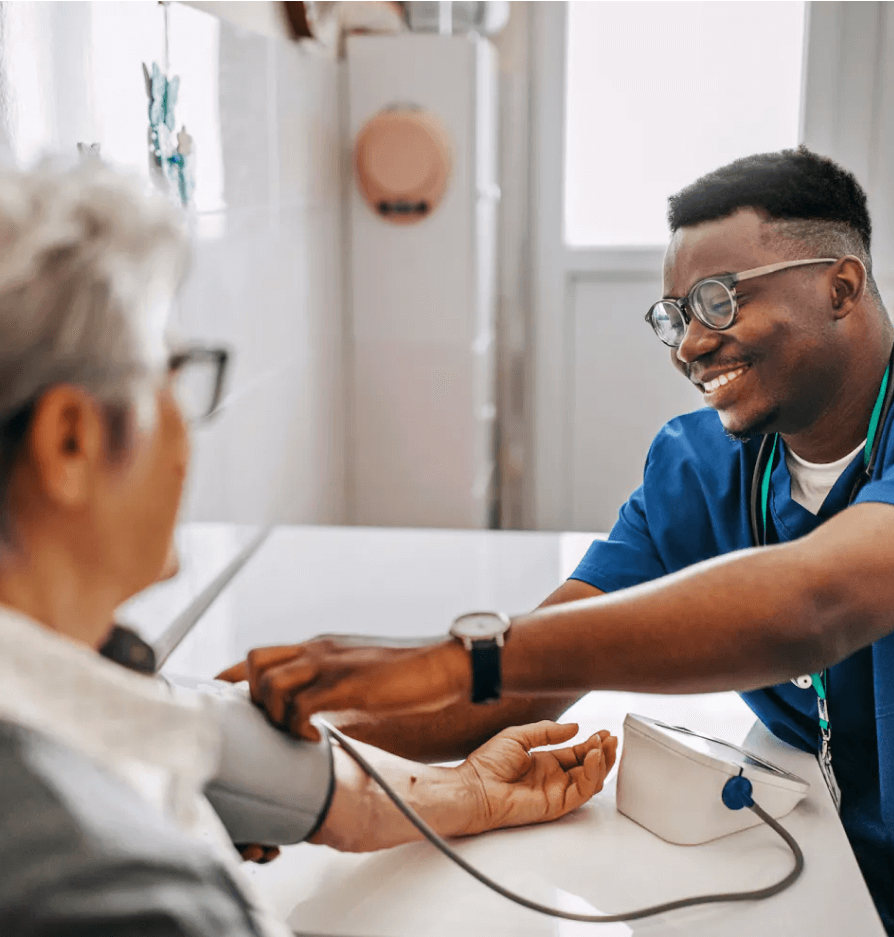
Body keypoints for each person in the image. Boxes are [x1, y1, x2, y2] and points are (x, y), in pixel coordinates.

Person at [223, 148, 894, 937]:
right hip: (845, 885)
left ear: (840, 285)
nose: (690, 346)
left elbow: (818, 601)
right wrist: (282, 770)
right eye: (675, 315)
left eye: (719, 301)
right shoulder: (698, 467)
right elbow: (526, 685)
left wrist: (454, 654)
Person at [0, 160, 618, 937]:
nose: (188, 433)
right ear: (70, 439)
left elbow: (226, 744)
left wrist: (468, 791)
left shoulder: (88, 679)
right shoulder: (114, 893)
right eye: (173, 376)